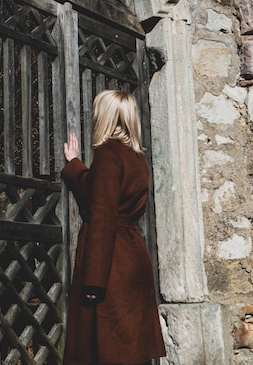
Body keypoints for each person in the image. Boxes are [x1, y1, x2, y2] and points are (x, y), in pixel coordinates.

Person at [61, 90, 166, 365]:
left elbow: (103, 215)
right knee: (130, 349)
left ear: (104, 116)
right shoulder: (137, 158)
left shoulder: (108, 154)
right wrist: (75, 165)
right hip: (132, 256)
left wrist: (94, 279)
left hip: (111, 264)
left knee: (111, 350)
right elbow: (100, 191)